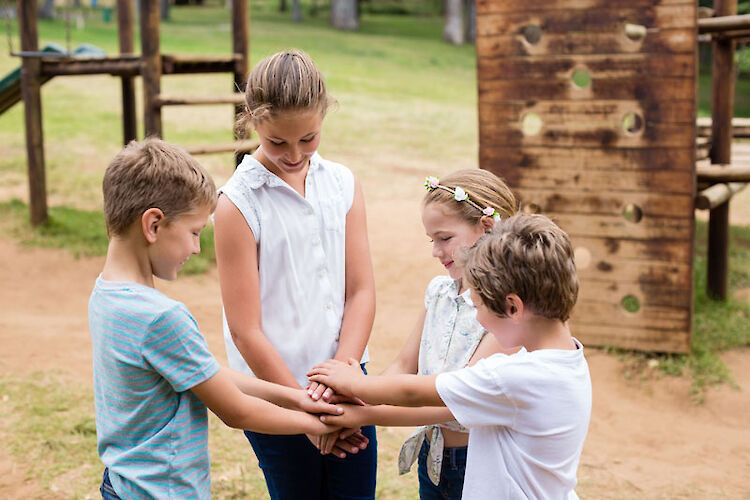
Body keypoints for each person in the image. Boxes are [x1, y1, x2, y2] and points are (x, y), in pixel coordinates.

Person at [89, 138, 342, 500]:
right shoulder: (162, 318)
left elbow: (204, 373)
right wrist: (319, 424)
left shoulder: (106, 295)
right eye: (194, 232)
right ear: (153, 225)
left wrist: (298, 398)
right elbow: (235, 410)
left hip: (121, 484)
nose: (196, 248)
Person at [308, 213, 593, 500]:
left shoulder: (514, 379)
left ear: (513, 308)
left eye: (478, 304)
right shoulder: (567, 362)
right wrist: (360, 413)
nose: (478, 318)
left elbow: (412, 391)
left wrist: (352, 382)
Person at [213, 49, 377, 499]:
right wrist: (303, 407)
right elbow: (246, 331)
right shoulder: (238, 203)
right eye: (277, 142)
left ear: (324, 116)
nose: (294, 154)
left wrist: (343, 376)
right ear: (251, 121)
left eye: (308, 139)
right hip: (274, 395)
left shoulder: (343, 183)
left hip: (347, 384)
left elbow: (360, 291)